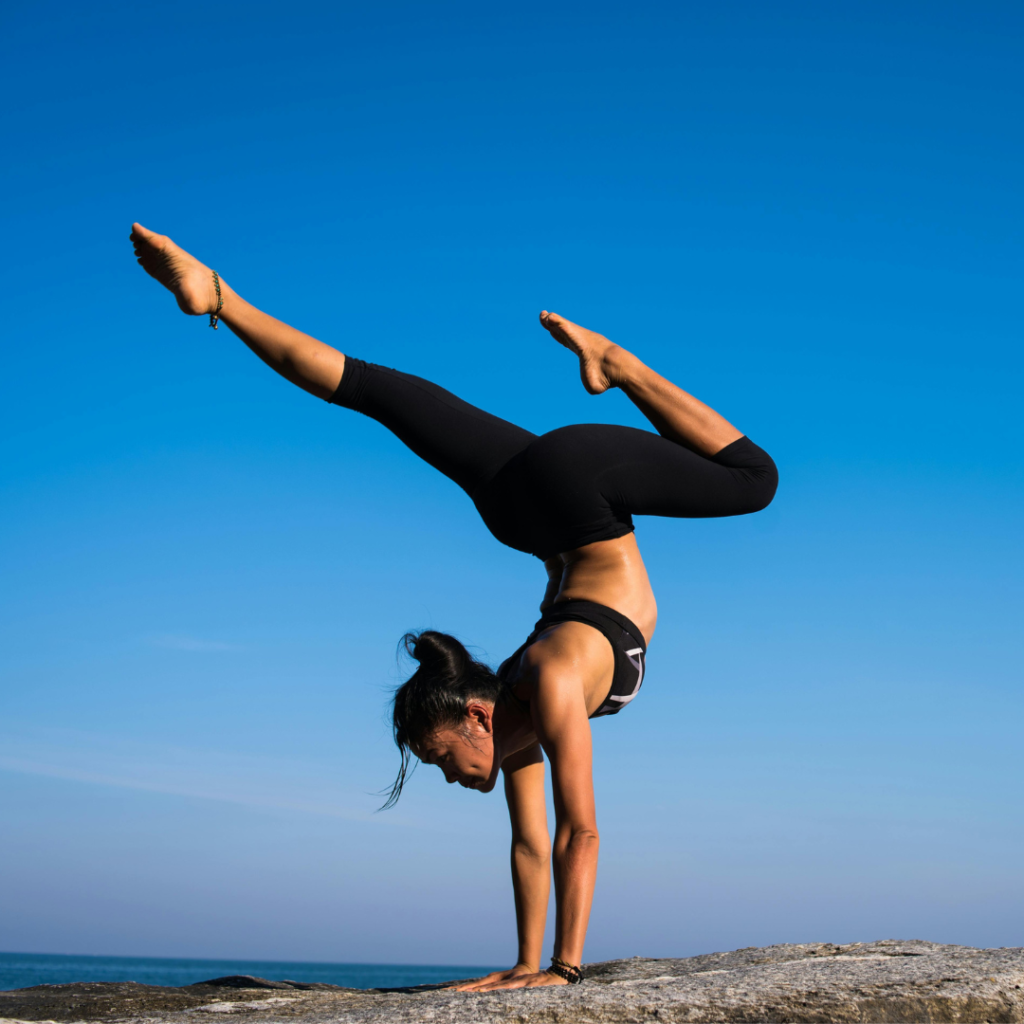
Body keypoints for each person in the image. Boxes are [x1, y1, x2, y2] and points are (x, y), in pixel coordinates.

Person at [130, 223, 778, 990]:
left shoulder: (548, 681)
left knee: (753, 479)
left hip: (579, 491)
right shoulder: (519, 713)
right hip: (525, 509)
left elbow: (583, 830)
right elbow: (532, 846)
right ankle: (220, 299)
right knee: (370, 390)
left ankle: (618, 363)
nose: (448, 777)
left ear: (475, 715)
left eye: (439, 757)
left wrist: (565, 972)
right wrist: (522, 967)